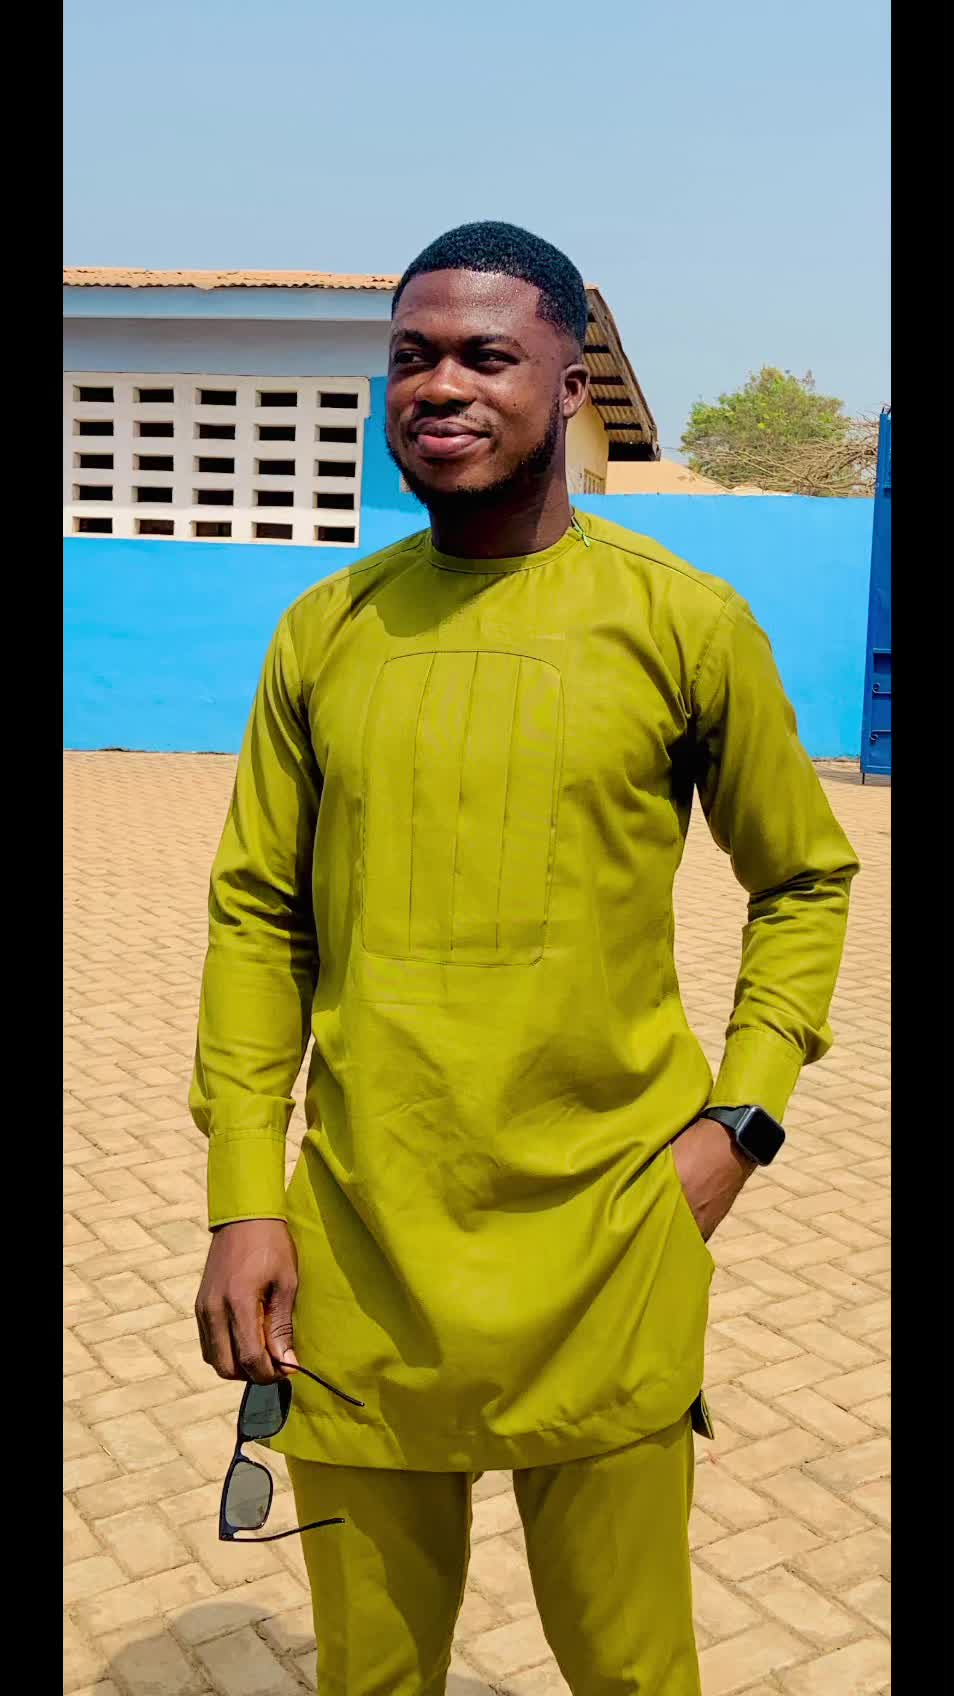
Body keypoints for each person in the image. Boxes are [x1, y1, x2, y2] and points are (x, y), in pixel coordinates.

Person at [191, 221, 859, 1694]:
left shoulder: (682, 625)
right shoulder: (325, 634)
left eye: (486, 355)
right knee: (371, 1676)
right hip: (358, 1255)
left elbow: (806, 878)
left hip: (612, 1241)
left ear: (569, 385)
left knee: (631, 1672)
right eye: (411, 357)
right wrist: (244, 1197)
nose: (441, 386)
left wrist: (741, 1120)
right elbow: (258, 918)